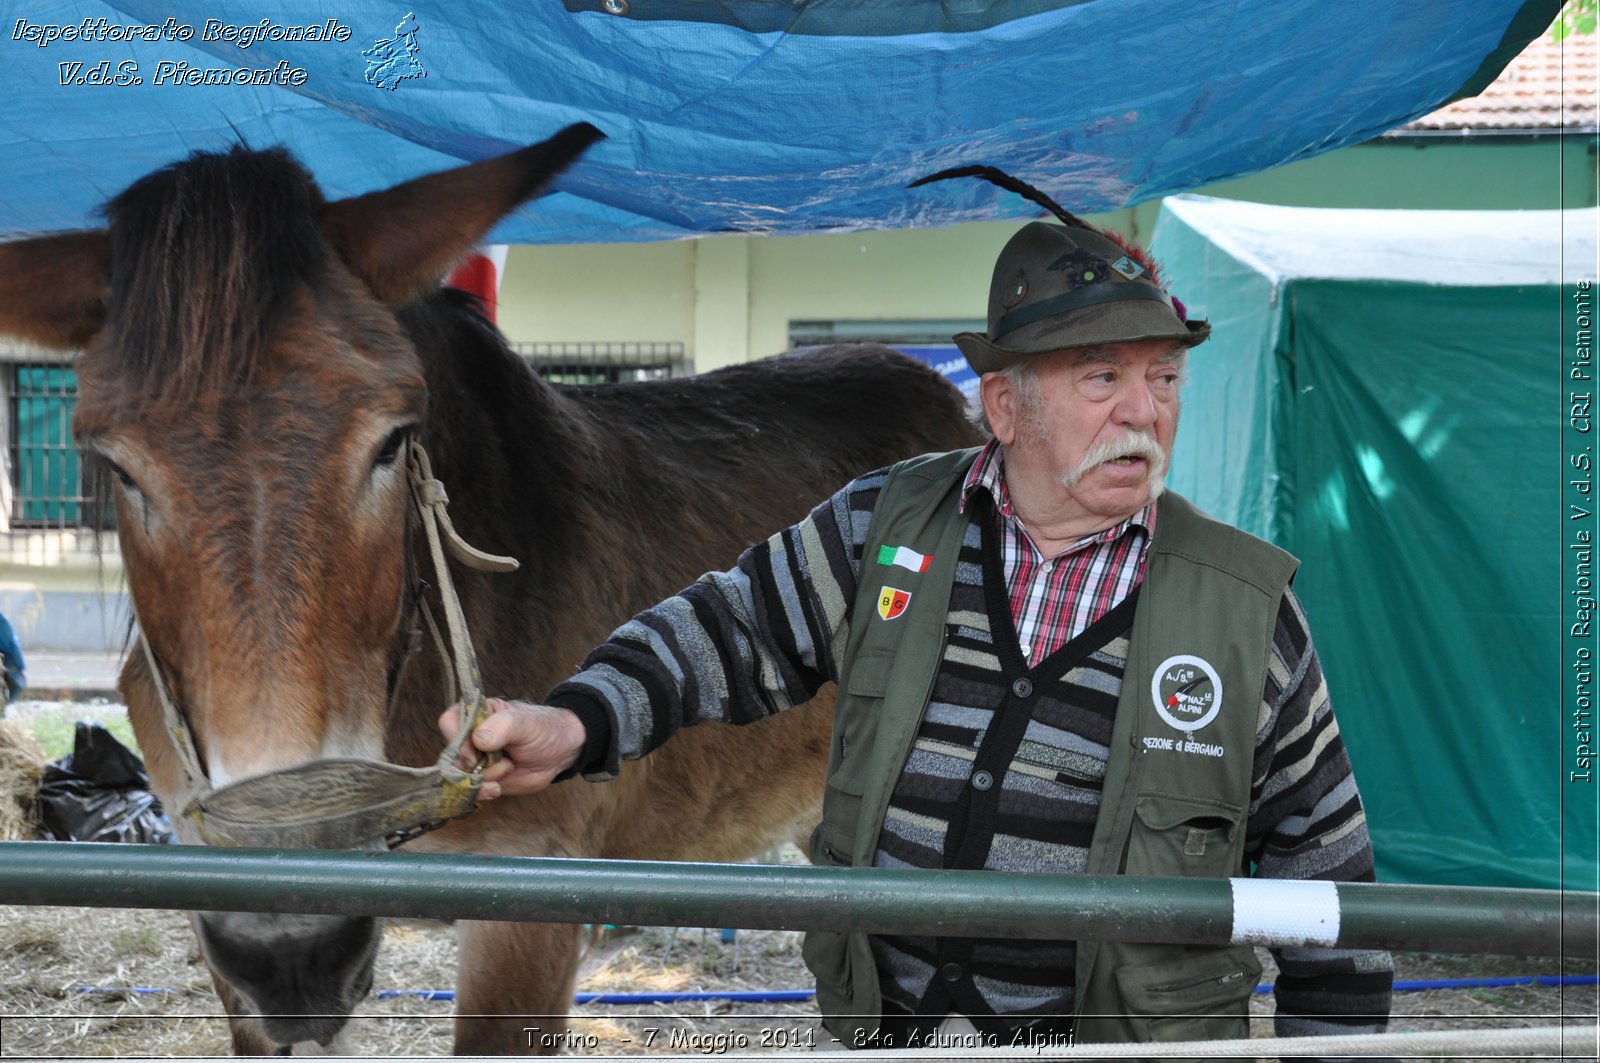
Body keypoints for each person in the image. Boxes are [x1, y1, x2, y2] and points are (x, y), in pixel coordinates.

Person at [440, 208, 1394, 1051]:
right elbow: (724, 630)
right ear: (1006, 406)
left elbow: (1333, 899)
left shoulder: (1246, 615)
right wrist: (576, 722)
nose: (1144, 411)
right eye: (1102, 376)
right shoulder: (880, 528)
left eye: (1165, 375)